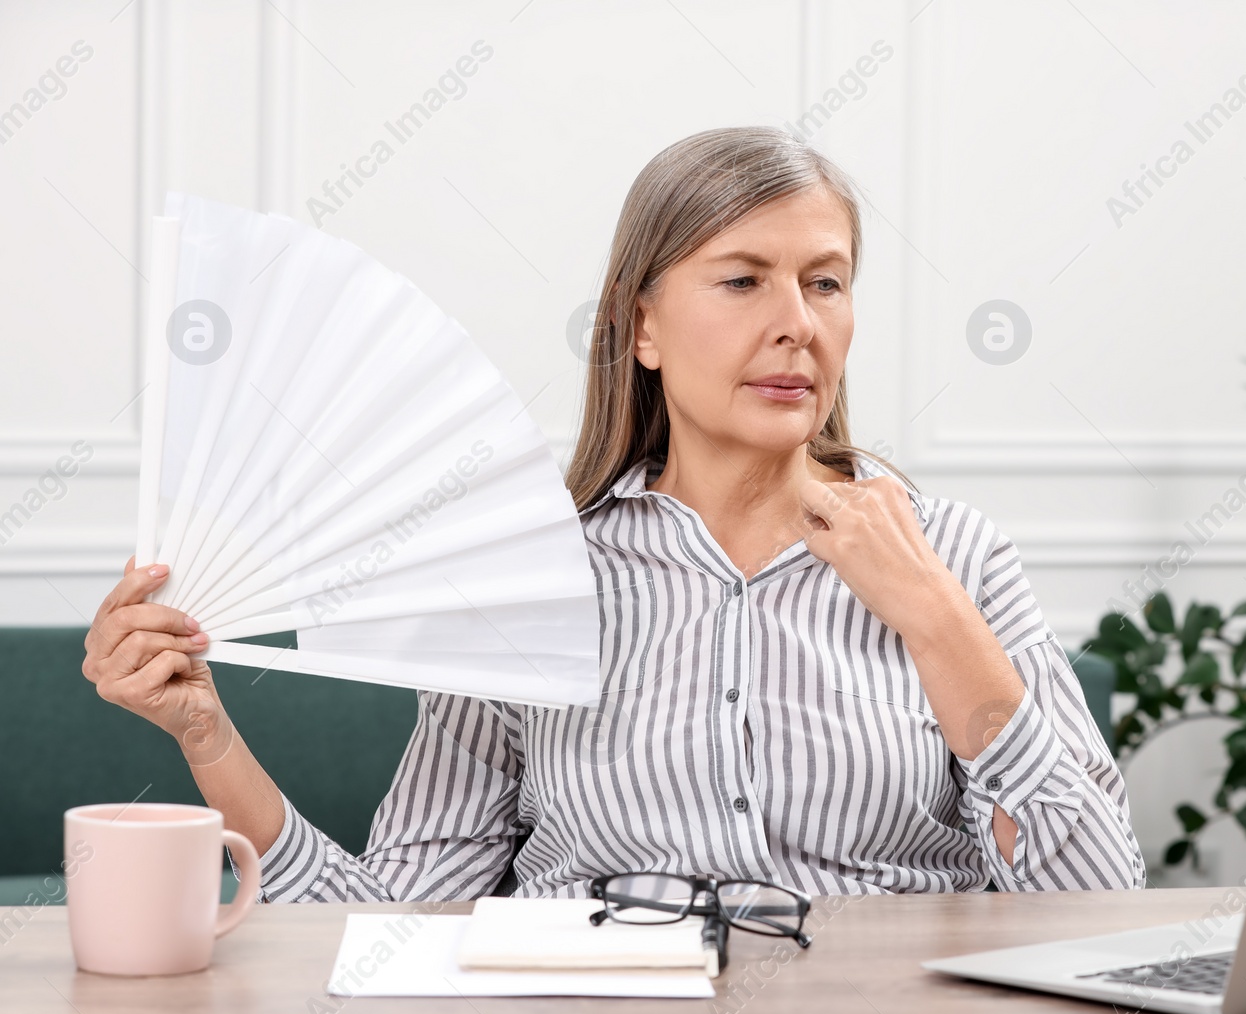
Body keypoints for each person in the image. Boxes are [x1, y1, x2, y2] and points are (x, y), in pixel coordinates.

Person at [82, 127, 1145, 900]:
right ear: (642, 325)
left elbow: (1097, 895)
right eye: (743, 280)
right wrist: (207, 732)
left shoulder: (953, 556)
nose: (796, 326)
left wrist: (935, 621)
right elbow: (392, 927)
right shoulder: (523, 576)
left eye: (826, 284)